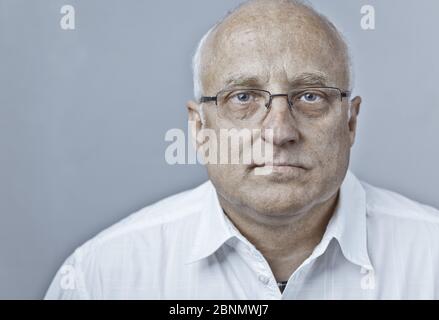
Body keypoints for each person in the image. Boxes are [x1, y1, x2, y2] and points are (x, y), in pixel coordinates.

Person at [45, 0, 439, 299]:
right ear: (199, 128)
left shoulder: (430, 259)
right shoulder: (101, 277)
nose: (280, 130)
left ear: (350, 122)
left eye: (310, 96)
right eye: (244, 97)